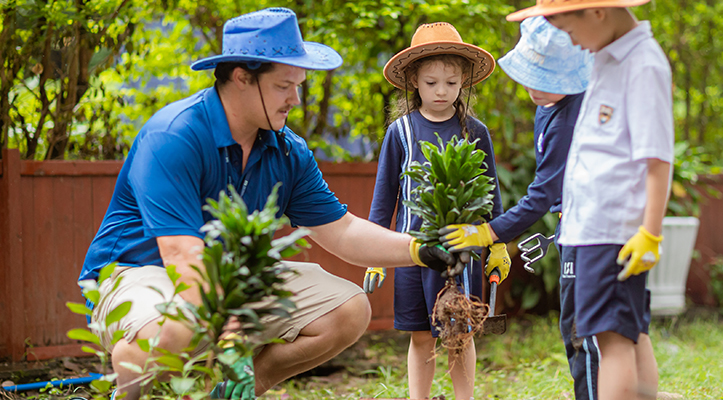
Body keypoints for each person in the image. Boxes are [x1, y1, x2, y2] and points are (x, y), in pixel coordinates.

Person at [78, 8, 458, 400]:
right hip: (138, 271)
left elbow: (343, 231)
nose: (296, 98)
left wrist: (419, 248)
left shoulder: (286, 149)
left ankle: (229, 393)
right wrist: (231, 341)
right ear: (242, 78)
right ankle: (127, 386)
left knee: (349, 309)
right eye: (283, 86)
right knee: (181, 326)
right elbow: (181, 255)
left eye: (300, 85)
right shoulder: (174, 136)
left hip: (230, 275)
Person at [506, 1, 674, 399]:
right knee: (629, 334)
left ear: (597, 14)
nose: (571, 43)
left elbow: (657, 157)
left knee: (608, 340)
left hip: (609, 228)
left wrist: (650, 232)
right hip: (588, 227)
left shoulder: (643, 64)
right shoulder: (605, 58)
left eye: (567, 30)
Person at [439, 16, 599, 399]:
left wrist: (491, 232)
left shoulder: (571, 112)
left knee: (584, 333)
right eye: (531, 75)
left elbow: (542, 192)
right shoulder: (547, 105)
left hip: (594, 229)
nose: (533, 87)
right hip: (571, 225)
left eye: (545, 79)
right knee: (574, 327)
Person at [363, 22, 508, 400]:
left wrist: (498, 245)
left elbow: (490, 192)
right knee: (420, 333)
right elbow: (385, 198)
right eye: (431, 83)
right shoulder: (400, 132)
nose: (441, 91)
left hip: (464, 254)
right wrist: (374, 257)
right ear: (413, 81)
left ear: (464, 82)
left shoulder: (474, 131)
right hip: (412, 252)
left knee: (460, 333)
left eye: (451, 82)